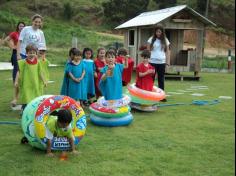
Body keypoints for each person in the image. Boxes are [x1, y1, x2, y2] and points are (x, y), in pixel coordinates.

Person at [15, 44, 47, 111]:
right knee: (26, 98)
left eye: (33, 53)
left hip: (35, 84)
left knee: (36, 98)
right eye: (30, 53)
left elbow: (40, 72)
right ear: (26, 53)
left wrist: (44, 81)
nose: (32, 54)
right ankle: (24, 110)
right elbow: (19, 72)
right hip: (26, 84)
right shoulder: (23, 62)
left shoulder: (38, 62)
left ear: (36, 53)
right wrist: (16, 81)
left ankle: (34, 110)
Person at [1, 22, 25, 106]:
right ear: (18, 27)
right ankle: (15, 83)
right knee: (16, 68)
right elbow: (5, 40)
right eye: (20, 26)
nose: (21, 27)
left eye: (23, 26)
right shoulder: (14, 33)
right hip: (16, 53)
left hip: (24, 53)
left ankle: (21, 83)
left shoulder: (26, 33)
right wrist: (12, 47)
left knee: (22, 69)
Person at [147, 24, 170, 102]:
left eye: (160, 32)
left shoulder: (165, 40)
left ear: (162, 32)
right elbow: (147, 51)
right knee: (151, 79)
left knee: (161, 79)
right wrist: (146, 62)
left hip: (161, 63)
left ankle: (162, 96)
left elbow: (168, 52)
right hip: (152, 62)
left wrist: (167, 62)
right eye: (157, 32)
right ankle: (149, 95)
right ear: (155, 32)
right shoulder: (151, 39)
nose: (158, 33)